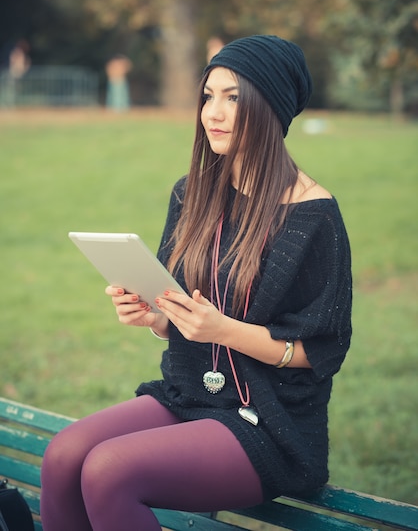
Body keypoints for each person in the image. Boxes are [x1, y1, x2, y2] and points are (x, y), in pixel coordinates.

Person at [40, 35, 352, 531]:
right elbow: (179, 313)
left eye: (233, 97)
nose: (214, 112)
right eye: (208, 96)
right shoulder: (193, 193)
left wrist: (223, 330)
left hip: (268, 423)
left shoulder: (312, 215)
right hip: (189, 394)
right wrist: (157, 318)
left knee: (107, 471)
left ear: (270, 106)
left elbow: (319, 350)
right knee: (63, 456)